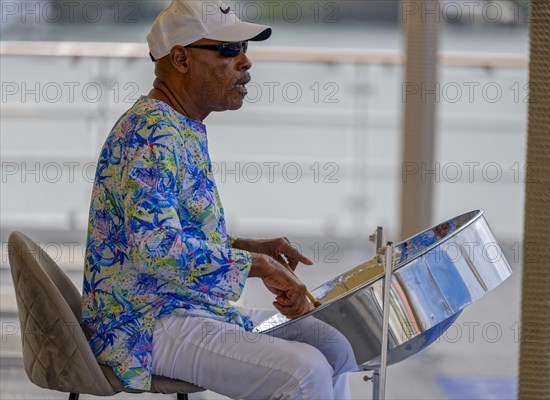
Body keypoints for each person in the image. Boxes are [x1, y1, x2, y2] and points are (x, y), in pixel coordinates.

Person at [81, 1, 357, 398]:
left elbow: (170, 237)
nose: (245, 62)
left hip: (187, 308)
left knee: (330, 344)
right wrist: (257, 266)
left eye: (245, 48)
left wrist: (248, 247)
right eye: (229, 49)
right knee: (305, 369)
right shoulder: (151, 134)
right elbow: (157, 250)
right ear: (181, 58)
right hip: (143, 322)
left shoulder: (180, 126)